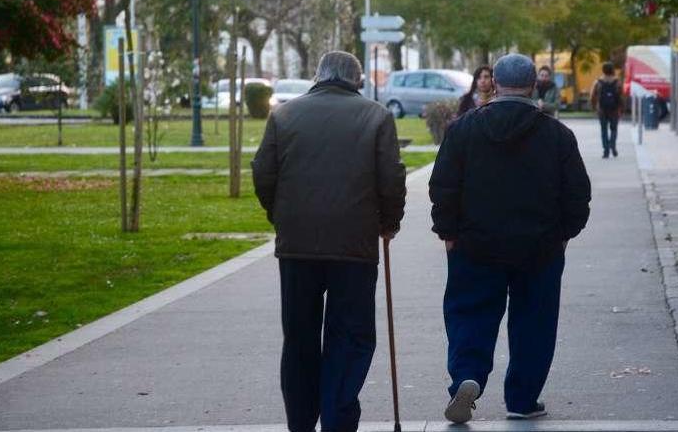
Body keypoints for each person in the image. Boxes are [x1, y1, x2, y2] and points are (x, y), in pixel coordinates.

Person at [429, 54, 591, 423]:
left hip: (474, 245)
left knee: (469, 314)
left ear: (495, 83)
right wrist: (566, 232)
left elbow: (444, 186)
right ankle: (522, 398)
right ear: (534, 86)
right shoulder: (556, 135)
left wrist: (448, 232)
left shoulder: (464, 129)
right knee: (534, 321)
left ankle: (466, 377)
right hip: (540, 247)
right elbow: (577, 193)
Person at [252, 51, 407, 432]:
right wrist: (388, 223)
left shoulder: (284, 115)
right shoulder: (376, 116)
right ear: (357, 81)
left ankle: (301, 422)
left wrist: (280, 215)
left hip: (297, 245)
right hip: (355, 245)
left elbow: (262, 173)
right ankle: (338, 419)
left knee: (300, 336)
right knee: (350, 334)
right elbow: (391, 179)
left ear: (317, 76)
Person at [591, 61, 623, 158]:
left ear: (603, 70)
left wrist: (594, 107)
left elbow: (592, 96)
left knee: (604, 130)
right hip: (614, 109)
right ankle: (612, 146)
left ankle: (606, 150)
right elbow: (622, 96)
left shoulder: (598, 82)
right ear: (613, 69)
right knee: (614, 129)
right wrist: (621, 108)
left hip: (602, 110)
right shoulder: (617, 82)